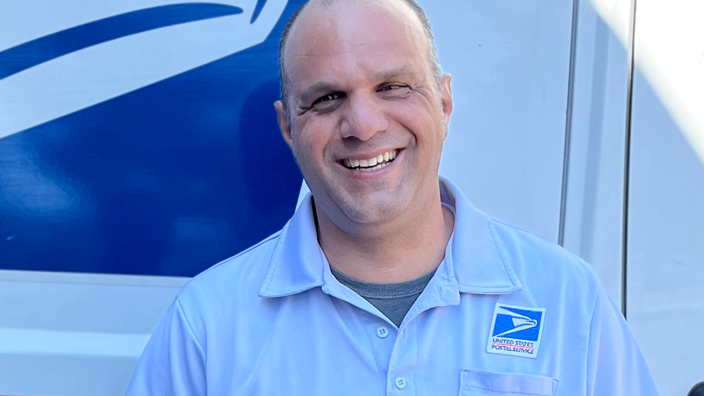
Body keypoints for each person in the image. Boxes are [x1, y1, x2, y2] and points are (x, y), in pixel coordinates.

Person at [126, 0, 660, 394]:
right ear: (288, 128)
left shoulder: (569, 300)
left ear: (444, 103)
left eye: (393, 87)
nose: (362, 124)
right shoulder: (208, 325)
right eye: (327, 97)